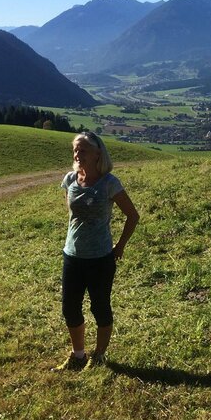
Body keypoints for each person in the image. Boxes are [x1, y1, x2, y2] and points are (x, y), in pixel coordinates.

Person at [53, 131, 139, 371]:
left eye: (83, 150)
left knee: (100, 307)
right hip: (72, 255)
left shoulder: (109, 183)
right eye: (75, 149)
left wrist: (120, 246)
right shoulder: (70, 179)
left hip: (100, 258)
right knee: (69, 308)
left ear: (97, 153)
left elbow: (133, 216)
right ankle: (78, 355)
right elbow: (72, 214)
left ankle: (99, 355)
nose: (77, 154)